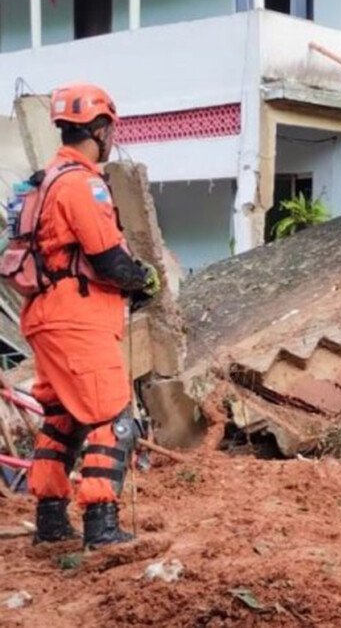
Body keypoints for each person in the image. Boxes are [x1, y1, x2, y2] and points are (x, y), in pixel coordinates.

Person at [24, 83, 160, 550]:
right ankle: (101, 526)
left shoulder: (42, 182)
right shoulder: (83, 185)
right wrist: (143, 279)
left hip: (44, 315)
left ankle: (51, 524)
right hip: (77, 317)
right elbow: (108, 260)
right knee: (114, 417)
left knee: (61, 418)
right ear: (100, 129)